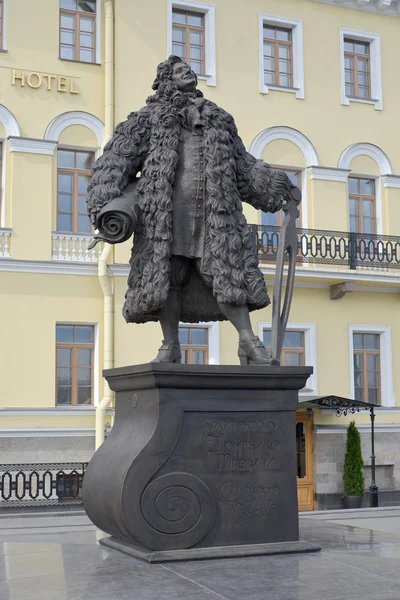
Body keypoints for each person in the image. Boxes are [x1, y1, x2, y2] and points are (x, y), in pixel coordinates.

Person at [87, 56, 294, 365]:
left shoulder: (219, 120)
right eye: (179, 70)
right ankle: (170, 344)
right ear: (165, 80)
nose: (188, 72)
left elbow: (242, 166)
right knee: (169, 275)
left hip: (214, 214)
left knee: (227, 274)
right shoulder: (148, 119)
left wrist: (278, 187)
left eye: (189, 68)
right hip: (166, 216)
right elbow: (115, 162)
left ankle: (248, 340)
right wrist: (106, 208)